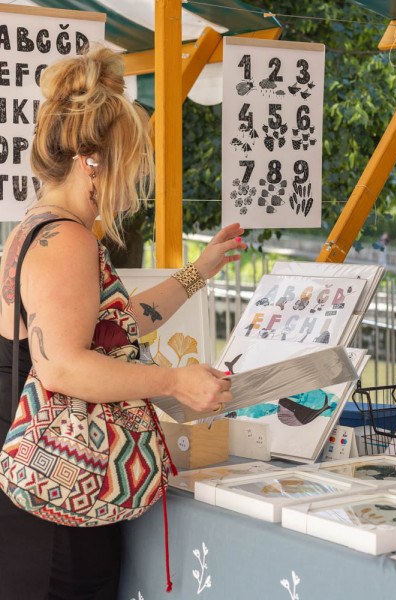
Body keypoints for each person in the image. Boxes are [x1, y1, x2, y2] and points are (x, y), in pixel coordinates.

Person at [0, 46, 246, 599]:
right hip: (59, 497)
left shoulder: (39, 227)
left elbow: (116, 323)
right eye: (132, 162)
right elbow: (63, 364)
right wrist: (175, 381)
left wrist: (197, 273)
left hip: (43, 482)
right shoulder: (68, 239)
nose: (135, 178)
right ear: (93, 161)